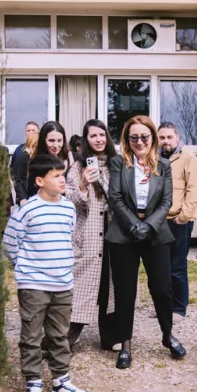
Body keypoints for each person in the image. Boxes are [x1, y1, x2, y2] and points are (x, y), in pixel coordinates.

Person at [3, 154, 89, 392]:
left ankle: (61, 381)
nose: (62, 180)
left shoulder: (68, 208)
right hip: (33, 285)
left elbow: (66, 237)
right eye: (56, 176)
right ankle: (33, 383)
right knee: (31, 335)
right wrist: (27, 267)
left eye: (63, 175)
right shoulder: (27, 209)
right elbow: (9, 243)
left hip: (63, 284)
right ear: (40, 181)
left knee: (59, 334)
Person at [106, 116, 184, 369]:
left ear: (153, 138)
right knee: (125, 291)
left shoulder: (163, 165)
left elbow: (166, 201)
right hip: (124, 233)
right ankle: (125, 344)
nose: (139, 142)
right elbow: (115, 198)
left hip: (155, 232)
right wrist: (134, 225)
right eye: (134, 137)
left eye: (144, 137)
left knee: (163, 288)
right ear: (127, 140)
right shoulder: (119, 163)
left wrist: (149, 225)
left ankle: (167, 336)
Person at [64, 119, 118, 345]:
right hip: (88, 233)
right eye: (93, 136)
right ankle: (70, 335)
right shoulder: (78, 167)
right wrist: (84, 185)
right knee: (84, 282)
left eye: (102, 134)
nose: (98, 139)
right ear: (86, 140)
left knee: (110, 284)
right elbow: (68, 199)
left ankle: (110, 336)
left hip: (113, 231)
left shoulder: (118, 164)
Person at [158, 121, 197, 323]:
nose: (166, 141)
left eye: (169, 137)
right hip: (158, 221)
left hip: (179, 220)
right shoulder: (155, 159)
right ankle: (163, 307)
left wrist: (183, 216)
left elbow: (194, 189)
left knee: (177, 266)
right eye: (162, 137)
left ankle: (179, 308)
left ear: (177, 137)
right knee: (160, 267)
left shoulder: (188, 158)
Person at [25, 121, 68, 200]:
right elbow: (32, 192)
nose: (56, 145)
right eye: (51, 141)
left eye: (59, 140)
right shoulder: (36, 163)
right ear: (43, 141)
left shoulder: (72, 159)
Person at [12, 122, 39, 205]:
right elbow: (14, 174)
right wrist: (21, 197)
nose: (30, 133)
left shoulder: (42, 150)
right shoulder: (19, 151)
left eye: (33, 130)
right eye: (28, 130)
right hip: (24, 196)